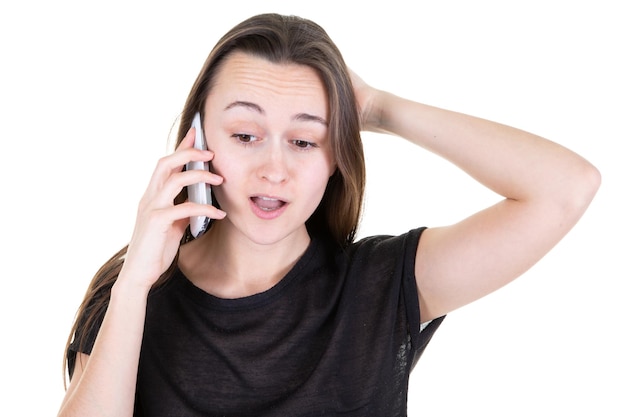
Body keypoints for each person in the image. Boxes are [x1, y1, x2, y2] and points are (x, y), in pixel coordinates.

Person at [57, 13, 600, 417]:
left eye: (304, 139)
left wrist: (375, 108)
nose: (275, 169)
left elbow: (565, 188)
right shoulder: (133, 290)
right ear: (197, 139)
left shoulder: (382, 284)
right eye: (245, 135)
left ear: (336, 154)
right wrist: (133, 285)